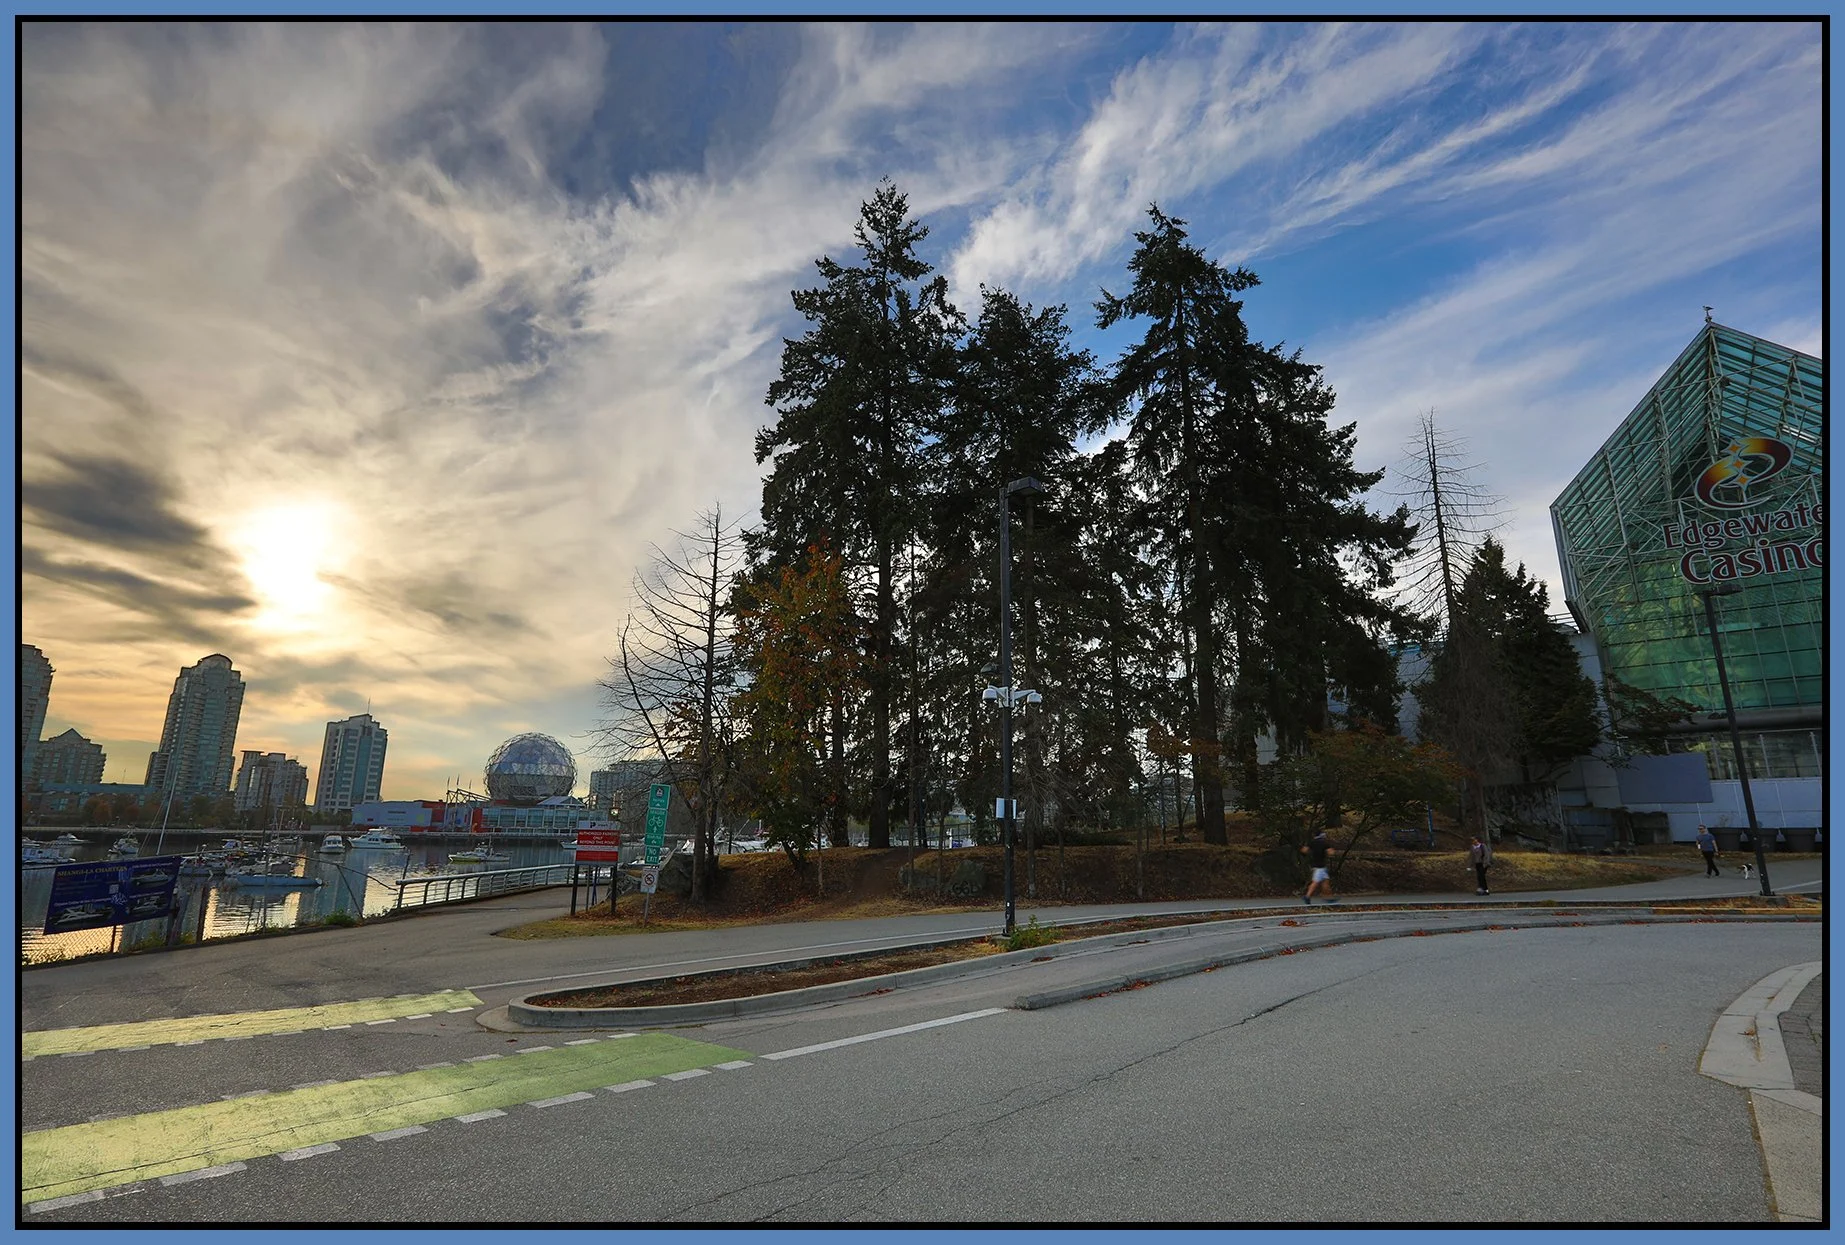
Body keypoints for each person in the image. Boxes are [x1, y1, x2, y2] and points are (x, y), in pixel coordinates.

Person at [1301, 828, 1336, 904]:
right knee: (1316, 882)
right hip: (1320, 866)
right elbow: (1331, 853)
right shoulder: (1324, 843)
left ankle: (1328, 897)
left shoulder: (1312, 842)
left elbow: (1304, 850)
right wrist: (1331, 852)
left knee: (1325, 881)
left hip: (1315, 864)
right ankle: (1307, 896)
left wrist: (1310, 853)